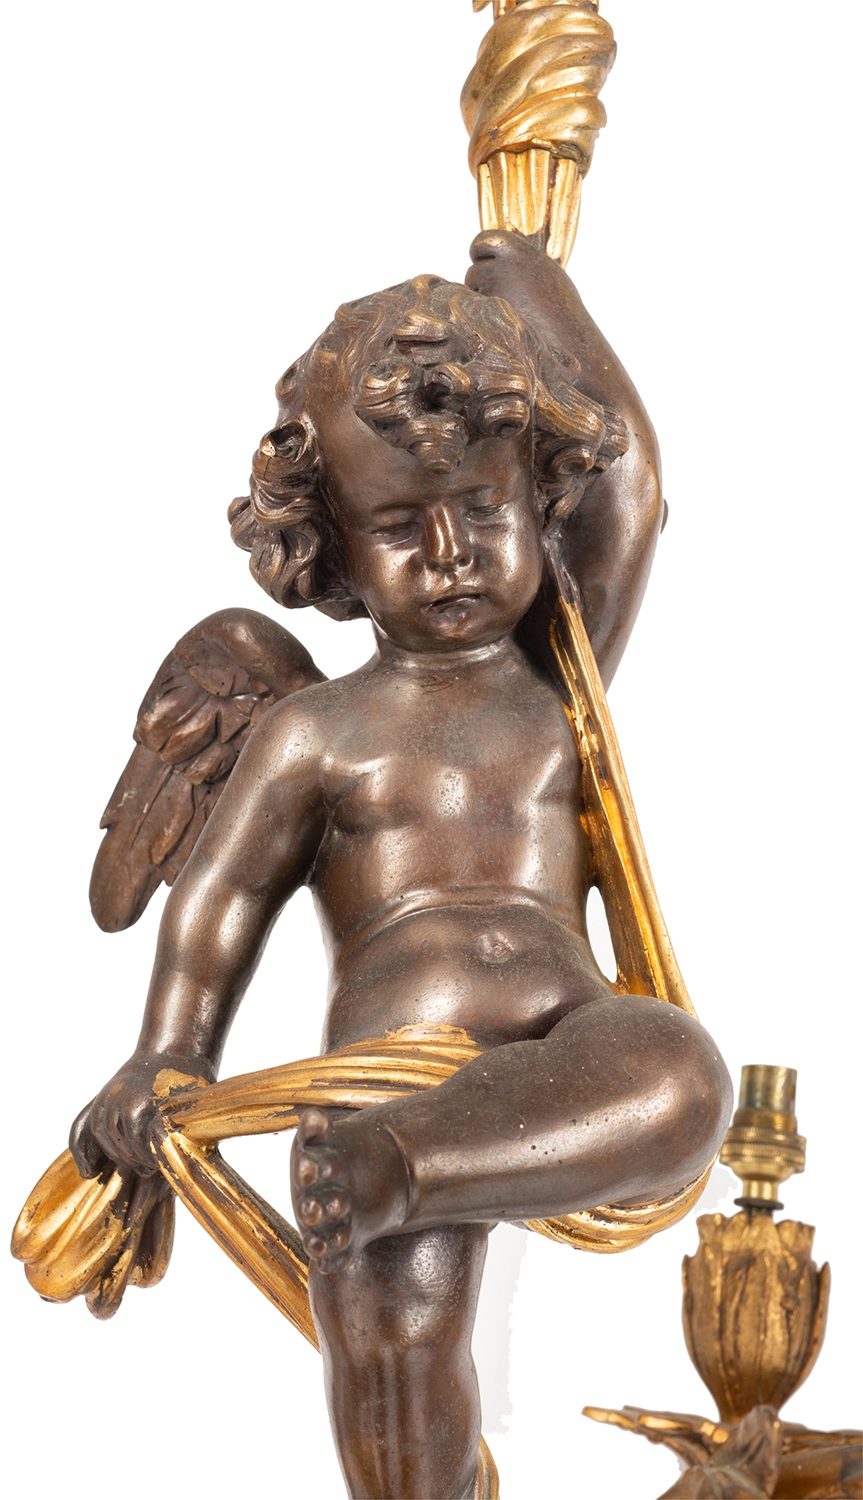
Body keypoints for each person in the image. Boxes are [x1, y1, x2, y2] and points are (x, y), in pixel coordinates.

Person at [69, 232, 731, 1500]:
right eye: (396, 525)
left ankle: (415, 1167)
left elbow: (633, 482)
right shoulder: (316, 730)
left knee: (680, 1076)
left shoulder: (559, 676)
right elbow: (220, 895)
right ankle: (394, 1189)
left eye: (482, 510)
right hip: (383, 1078)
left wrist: (523, 272)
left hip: (561, 1043)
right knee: (392, 1370)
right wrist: (168, 1053)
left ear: (536, 495)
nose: (449, 553)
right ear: (328, 543)